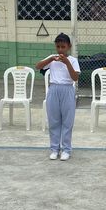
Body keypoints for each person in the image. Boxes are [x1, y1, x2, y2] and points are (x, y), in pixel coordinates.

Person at [36, 33, 80, 161]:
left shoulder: (73, 60)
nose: (60, 49)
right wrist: (50, 60)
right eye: (58, 46)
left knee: (67, 121)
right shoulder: (52, 58)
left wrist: (67, 63)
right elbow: (38, 66)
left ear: (69, 46)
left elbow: (75, 78)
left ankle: (66, 149)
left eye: (63, 47)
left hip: (67, 89)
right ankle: (54, 149)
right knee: (54, 121)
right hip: (54, 89)